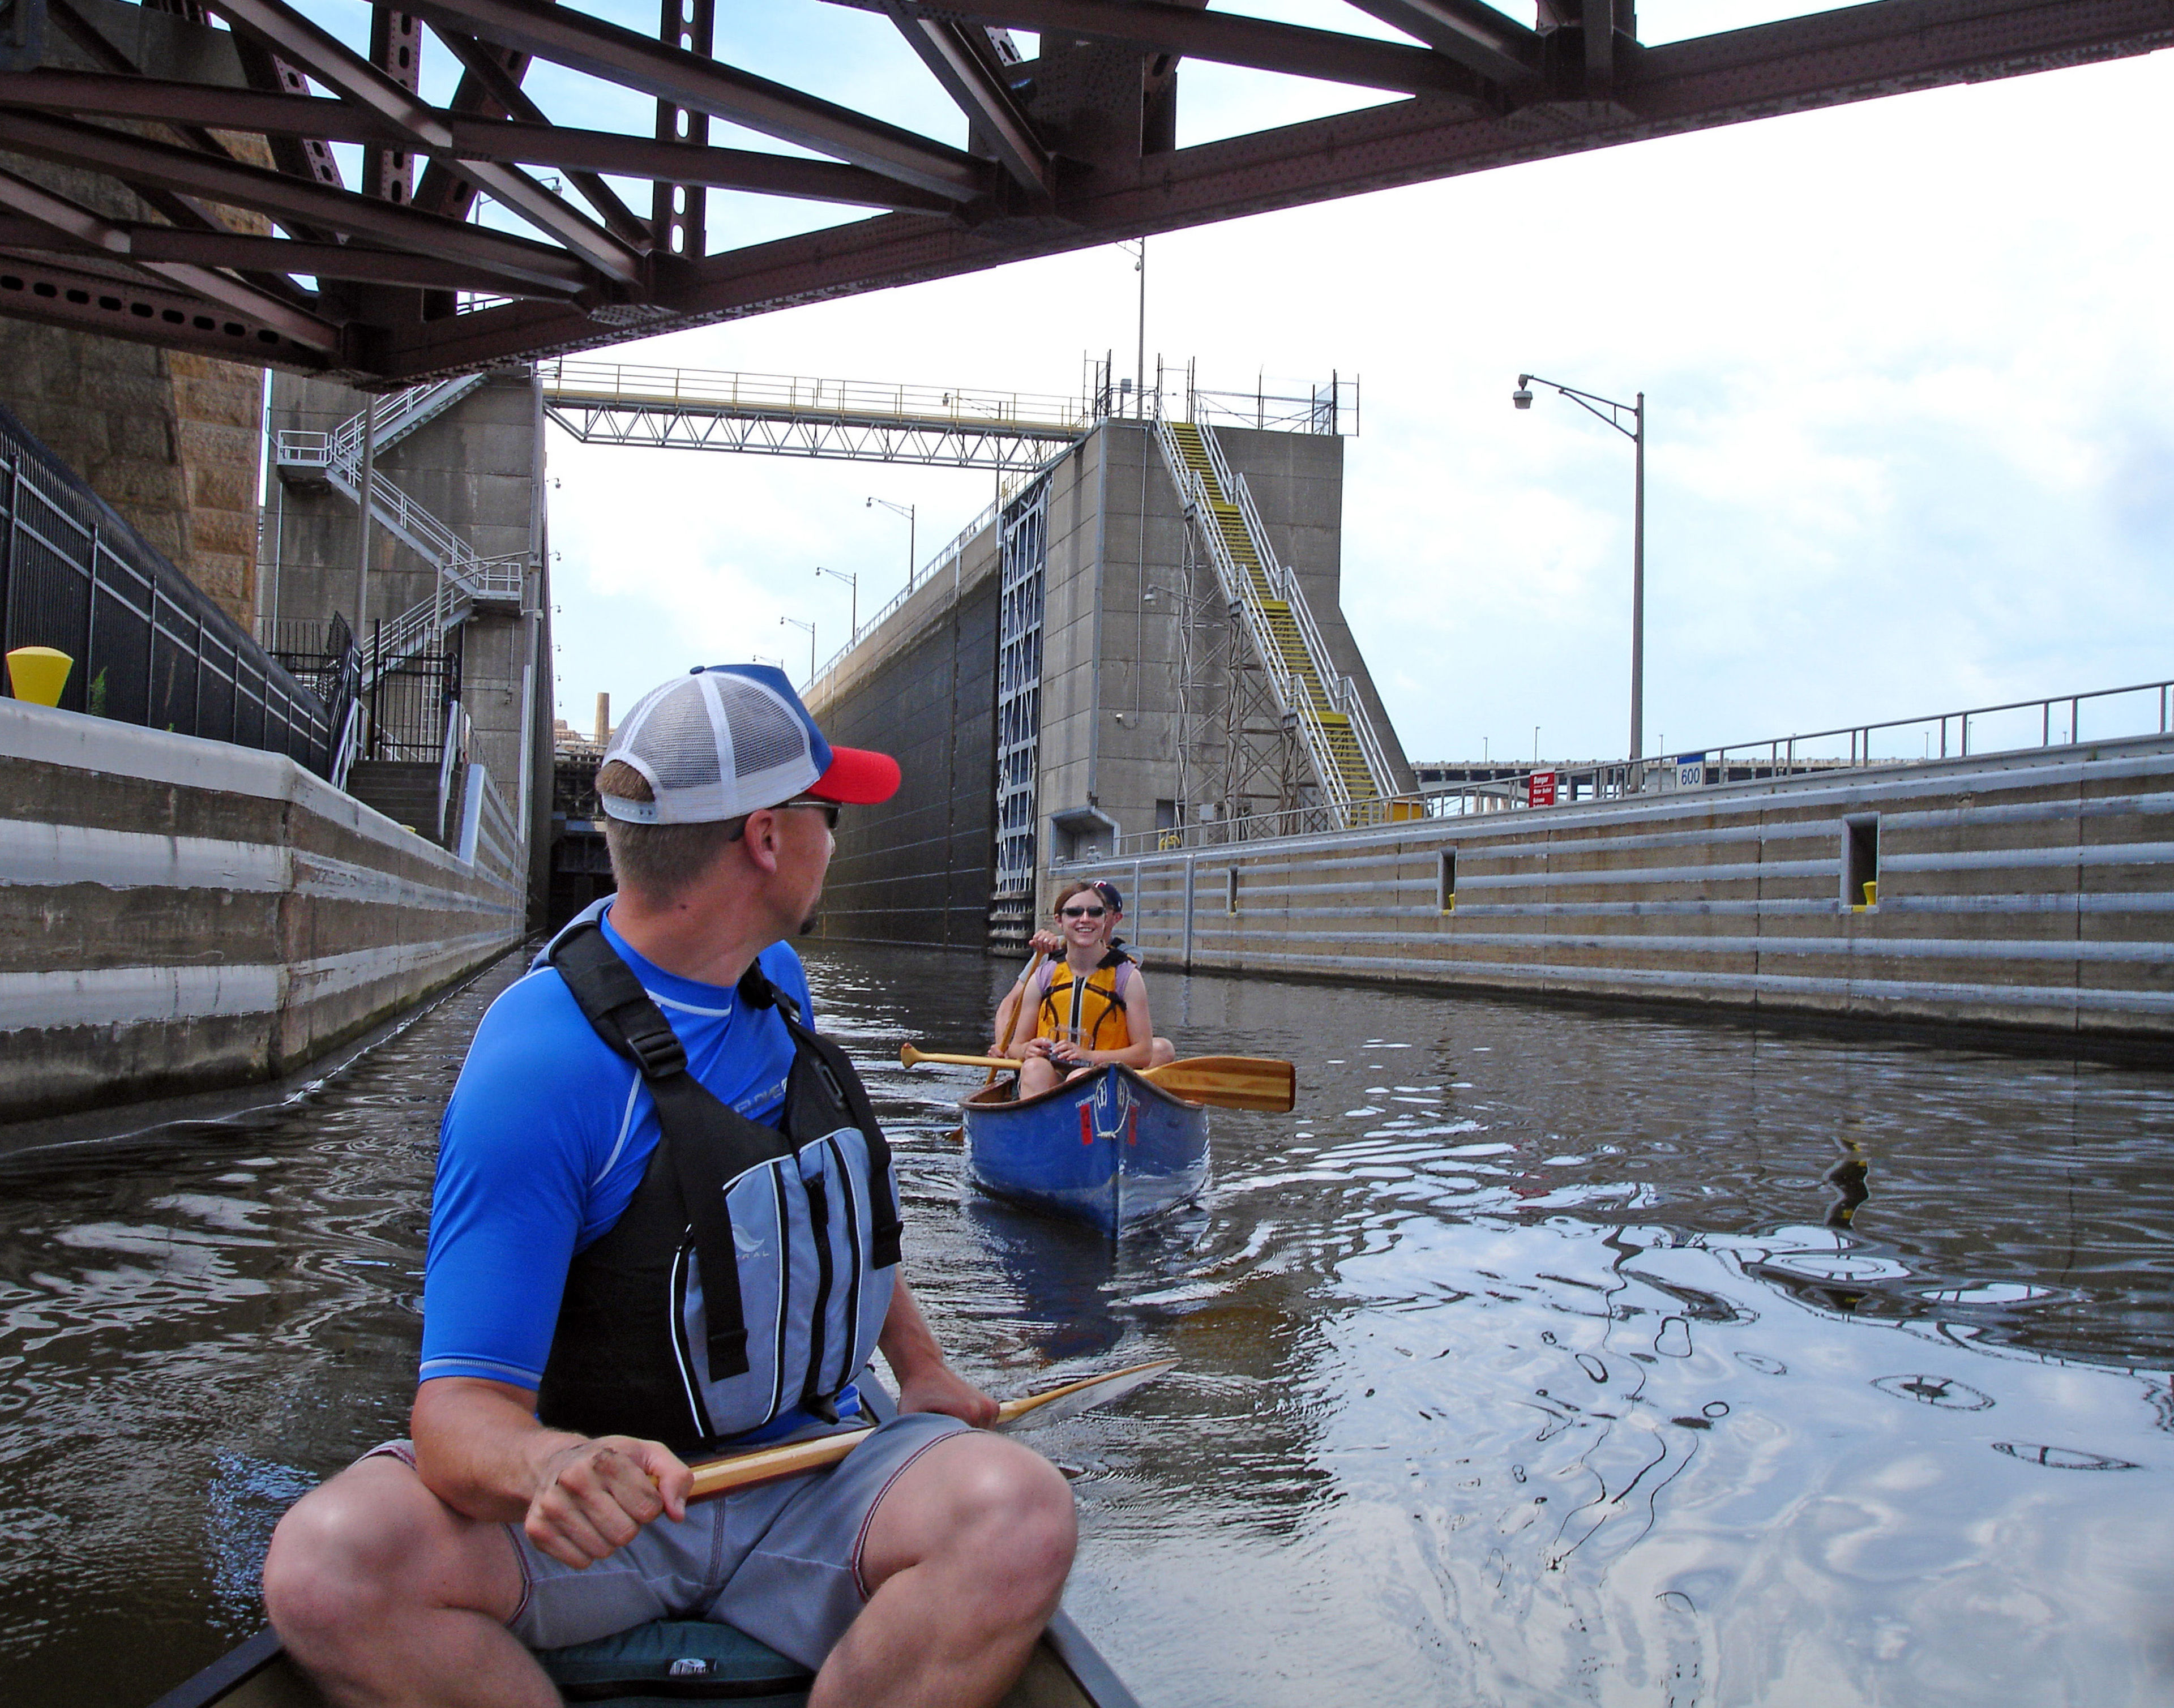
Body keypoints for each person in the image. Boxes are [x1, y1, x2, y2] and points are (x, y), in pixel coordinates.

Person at [262, 664, 1075, 1708]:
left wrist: (917, 1365)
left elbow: (807, 1215)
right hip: (606, 1525)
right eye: (829, 812)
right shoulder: (541, 1063)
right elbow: (459, 1413)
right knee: (328, 1564)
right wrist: (548, 1468)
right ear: (769, 840)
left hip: (808, 1479)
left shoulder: (772, 979)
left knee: (1023, 1514)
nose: (840, 836)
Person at [1000, 880, 1174, 1098]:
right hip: (1052, 1078)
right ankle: (1043, 1127)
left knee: (1080, 1077)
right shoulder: (1044, 975)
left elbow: (1143, 1053)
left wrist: (1088, 1056)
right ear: (1059, 921)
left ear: (1105, 920)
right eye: (1074, 913)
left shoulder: (1126, 976)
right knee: (1034, 1068)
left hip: (1104, 1076)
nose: (1085, 919)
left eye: (1095, 912)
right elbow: (1015, 1047)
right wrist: (1027, 1050)